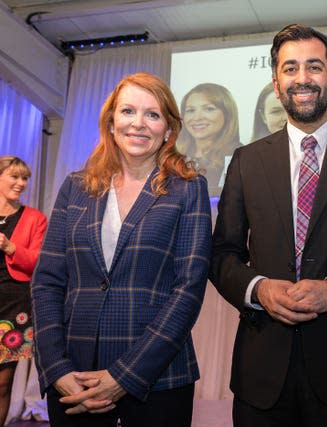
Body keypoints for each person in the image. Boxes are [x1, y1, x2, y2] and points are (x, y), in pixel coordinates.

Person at [210, 24, 327, 427]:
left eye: (314, 67)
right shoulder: (245, 160)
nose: (302, 78)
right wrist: (258, 288)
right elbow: (223, 254)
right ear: (276, 84)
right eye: (290, 68)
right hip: (261, 372)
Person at [31, 72, 212, 427]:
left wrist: (124, 377)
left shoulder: (188, 189)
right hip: (73, 380)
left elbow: (187, 291)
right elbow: (47, 282)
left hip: (157, 382)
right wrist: (55, 368)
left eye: (153, 114)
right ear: (111, 122)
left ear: (168, 130)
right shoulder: (75, 188)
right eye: (128, 111)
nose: (138, 124)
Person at [0, 156, 47, 426]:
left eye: (24, 178)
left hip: (14, 306)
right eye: (14, 177)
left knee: (3, 384)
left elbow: (40, 261)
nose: (21, 183)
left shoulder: (34, 219)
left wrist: (11, 247)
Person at [177, 82, 242, 196]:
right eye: (191, 111)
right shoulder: (174, 156)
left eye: (209, 109)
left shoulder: (240, 156)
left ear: (227, 114)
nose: (197, 118)